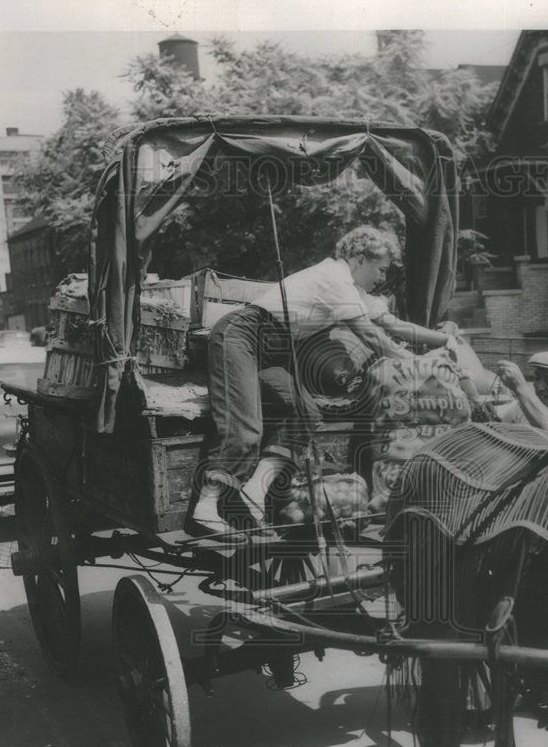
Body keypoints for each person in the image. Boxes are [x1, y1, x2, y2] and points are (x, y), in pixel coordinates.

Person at [188, 226, 458, 538]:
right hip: (241, 336)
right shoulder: (333, 277)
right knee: (246, 427)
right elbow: (372, 336)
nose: (383, 278)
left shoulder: (352, 289)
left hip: (273, 350)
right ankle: (205, 509)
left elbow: (391, 323)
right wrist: (416, 363)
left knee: (305, 413)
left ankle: (253, 494)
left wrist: (445, 339)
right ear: (359, 259)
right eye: (381, 269)